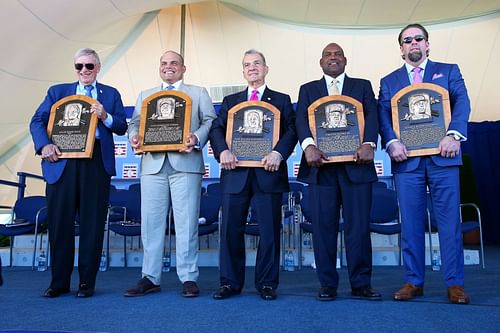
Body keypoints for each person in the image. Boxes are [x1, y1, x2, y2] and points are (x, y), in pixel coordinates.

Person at [378, 23, 471, 304]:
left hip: (443, 159)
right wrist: (392, 142)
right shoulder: (389, 81)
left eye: (419, 38)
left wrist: (454, 134)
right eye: (408, 40)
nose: (413, 43)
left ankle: (454, 283)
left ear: (427, 44)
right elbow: (383, 114)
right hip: (407, 163)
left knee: (449, 223)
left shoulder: (449, 70)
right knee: (411, 224)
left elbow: (462, 102)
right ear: (401, 48)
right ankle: (413, 281)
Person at [30, 48, 128, 298]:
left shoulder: (110, 93)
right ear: (74, 68)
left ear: (98, 68)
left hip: (95, 161)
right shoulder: (57, 92)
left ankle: (87, 282)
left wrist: (105, 116)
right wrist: (45, 145)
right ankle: (59, 282)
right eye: (79, 66)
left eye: (89, 66)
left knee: (92, 225)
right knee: (60, 223)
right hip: (61, 162)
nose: (84, 71)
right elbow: (37, 121)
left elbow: (121, 126)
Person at [125, 50, 216, 298]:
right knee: (151, 224)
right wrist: (134, 135)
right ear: (159, 67)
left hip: (185, 164)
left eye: (174, 63)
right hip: (152, 165)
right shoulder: (145, 95)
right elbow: (134, 123)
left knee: (186, 224)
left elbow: (210, 120)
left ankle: (188, 277)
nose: (168, 67)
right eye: (164, 63)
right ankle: (150, 277)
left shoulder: (198, 93)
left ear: (183, 68)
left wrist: (196, 137)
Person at [295, 42, 381, 301]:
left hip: (357, 167)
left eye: (338, 54)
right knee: (323, 228)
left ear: (345, 60)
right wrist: (308, 146)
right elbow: (300, 119)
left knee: (358, 228)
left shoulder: (362, 86)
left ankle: (361, 284)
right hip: (321, 168)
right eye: (327, 55)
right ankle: (327, 284)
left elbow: (373, 116)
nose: (333, 58)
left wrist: (369, 143)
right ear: (321, 62)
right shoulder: (308, 89)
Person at [209, 49, 296, 301]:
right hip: (235, 173)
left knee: (269, 230)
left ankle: (267, 283)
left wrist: (279, 153)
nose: (252, 68)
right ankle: (229, 283)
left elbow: (291, 131)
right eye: (247, 65)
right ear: (243, 71)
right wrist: (222, 150)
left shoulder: (281, 99)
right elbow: (217, 129)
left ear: (266, 69)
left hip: (269, 173)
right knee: (230, 231)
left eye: (257, 63)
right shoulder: (230, 101)